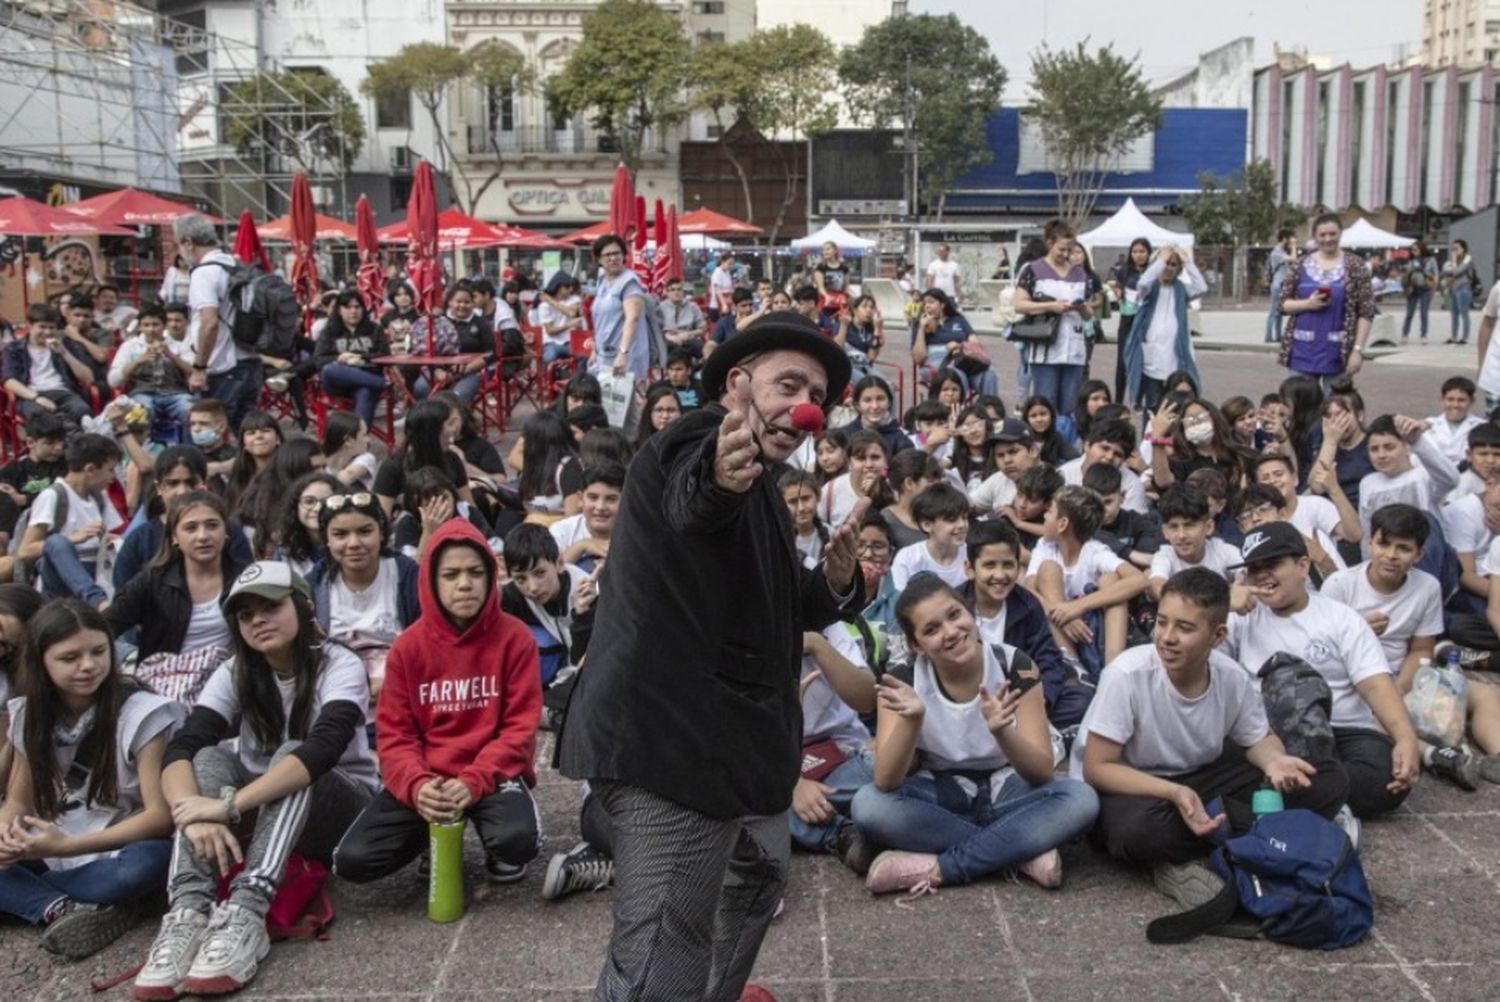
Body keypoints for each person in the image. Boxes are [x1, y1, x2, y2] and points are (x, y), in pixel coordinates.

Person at [557, 311, 863, 1002]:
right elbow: (693, 501)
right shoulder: (695, 440)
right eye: (789, 383)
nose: (806, 407)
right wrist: (720, 481)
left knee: (755, 878)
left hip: (734, 750)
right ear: (737, 383)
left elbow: (779, 606)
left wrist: (838, 583)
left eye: (816, 392)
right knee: (663, 953)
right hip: (670, 747)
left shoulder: (768, 492)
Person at [132, 563, 377, 998]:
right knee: (207, 756)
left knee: (294, 752)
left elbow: (323, 749)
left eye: (271, 606)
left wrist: (227, 806)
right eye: (246, 615)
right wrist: (194, 815)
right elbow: (183, 747)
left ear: (303, 607)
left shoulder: (339, 663)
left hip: (341, 808)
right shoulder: (235, 671)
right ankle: (187, 911)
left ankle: (246, 911)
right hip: (261, 809)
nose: (258, 620)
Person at [1078, 569, 1347, 907]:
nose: (1167, 637)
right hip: (1138, 788)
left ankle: (1212, 836)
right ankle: (1259, 834)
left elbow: (1256, 739)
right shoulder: (1127, 675)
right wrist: (1174, 793)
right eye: (1162, 622)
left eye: (1185, 628)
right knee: (1135, 832)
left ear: (1218, 635)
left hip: (1201, 779)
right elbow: (1097, 768)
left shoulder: (1230, 677)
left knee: (1327, 778)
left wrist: (1275, 762)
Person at [851, 575, 1099, 895]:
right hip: (942, 796)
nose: (951, 632)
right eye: (932, 630)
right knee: (868, 805)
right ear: (916, 645)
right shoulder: (902, 681)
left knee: (1081, 799)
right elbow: (886, 780)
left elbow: (1041, 771)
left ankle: (942, 866)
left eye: (955, 615)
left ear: (969, 611)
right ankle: (1017, 853)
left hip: (1008, 789)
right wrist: (912, 721)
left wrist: (1003, 732)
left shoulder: (1014, 665)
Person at [332, 519, 542, 885]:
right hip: (427, 775)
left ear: (491, 576)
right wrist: (417, 786)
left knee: (517, 842)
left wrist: (475, 781)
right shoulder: (408, 647)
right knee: (353, 861)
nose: (464, 583)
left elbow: (519, 729)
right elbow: (395, 735)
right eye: (451, 574)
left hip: (489, 773)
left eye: (476, 572)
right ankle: (435, 833)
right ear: (431, 579)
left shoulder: (515, 639)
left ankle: (496, 841)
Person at [0, 600, 183, 960]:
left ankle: (37, 899)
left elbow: (160, 817)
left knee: (145, 867)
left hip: (121, 844)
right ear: (41, 662)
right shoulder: (29, 715)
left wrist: (64, 847)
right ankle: (62, 907)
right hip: (46, 845)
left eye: (99, 651)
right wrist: (7, 834)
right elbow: (18, 802)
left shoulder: (142, 713)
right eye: (69, 658)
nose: (88, 666)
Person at [1222, 522, 1421, 836]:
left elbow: (1375, 683)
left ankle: (1302, 796)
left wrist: (1406, 738)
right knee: (1287, 678)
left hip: (1344, 729)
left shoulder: (1340, 618)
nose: (1261, 575)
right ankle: (1327, 803)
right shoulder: (1236, 618)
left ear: (1302, 566)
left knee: (1388, 780)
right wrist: (1221, 608)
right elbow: (1198, 665)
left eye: (1272, 565)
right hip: (1271, 734)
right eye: (1253, 568)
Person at [960, 520, 1089, 730]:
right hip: (971, 699)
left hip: (1019, 698)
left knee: (1081, 701)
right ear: (970, 569)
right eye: (990, 565)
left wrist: (1042, 701)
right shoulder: (955, 607)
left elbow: (1048, 657)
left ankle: (1024, 726)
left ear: (1018, 567)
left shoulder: (1028, 605)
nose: (1000, 575)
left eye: (1008, 565)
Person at [306, 492, 420, 711]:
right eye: (340, 534)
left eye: (365, 531)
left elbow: (427, 641)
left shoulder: (407, 575)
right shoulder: (313, 585)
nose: (354, 543)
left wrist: (393, 682)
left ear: (382, 533)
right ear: (326, 540)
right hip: (337, 701)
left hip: (404, 696)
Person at [108, 490, 245, 670]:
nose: (203, 536)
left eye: (212, 525)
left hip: (227, 681)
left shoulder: (244, 579)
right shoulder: (153, 581)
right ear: (174, 536)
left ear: (226, 531)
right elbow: (106, 625)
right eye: (191, 528)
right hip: (162, 683)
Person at [1029, 485, 1148, 674]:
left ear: (1062, 524)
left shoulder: (1094, 550)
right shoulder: (1044, 547)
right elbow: (1028, 590)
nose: (1044, 516)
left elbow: (1140, 580)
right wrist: (1061, 615)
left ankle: (1113, 668)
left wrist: (1079, 606)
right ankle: (1074, 668)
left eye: (1050, 511)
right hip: (1059, 631)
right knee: (1048, 569)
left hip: (1095, 633)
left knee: (1110, 579)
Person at [174, 213, 262, 430]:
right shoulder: (238, 267)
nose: (178, 251)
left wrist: (199, 368)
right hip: (250, 362)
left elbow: (209, 323)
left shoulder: (204, 273)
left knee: (214, 433)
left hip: (223, 367)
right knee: (249, 435)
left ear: (188, 243)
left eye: (178, 245)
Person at [16, 433, 122, 609]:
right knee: (56, 541)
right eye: (110, 470)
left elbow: (112, 534)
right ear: (90, 469)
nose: (113, 478)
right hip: (60, 576)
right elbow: (25, 550)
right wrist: (71, 539)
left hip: (97, 570)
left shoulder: (99, 498)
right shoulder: (52, 496)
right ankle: (97, 601)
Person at [1276, 213, 1375, 390]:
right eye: (1322, 235)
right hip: (1302, 352)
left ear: (1340, 234)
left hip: (1338, 353)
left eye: (1332, 234)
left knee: (1336, 410)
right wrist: (1307, 304)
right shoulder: (1300, 264)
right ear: (1315, 236)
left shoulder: (1355, 265)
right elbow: (1282, 304)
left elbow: (1366, 311)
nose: (1328, 239)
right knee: (1303, 411)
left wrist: (1358, 350)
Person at [1012, 219, 1093, 418]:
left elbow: (1090, 312)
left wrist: (1082, 308)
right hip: (1044, 347)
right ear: (1050, 243)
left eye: (1070, 250)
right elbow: (1019, 304)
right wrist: (1051, 306)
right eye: (1061, 249)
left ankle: (1067, 444)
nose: (1066, 255)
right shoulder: (1032, 270)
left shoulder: (1079, 273)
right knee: (1045, 405)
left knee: (1070, 406)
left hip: (1074, 348)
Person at [1124, 246, 1205, 414]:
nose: (1168, 268)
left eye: (1173, 264)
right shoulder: (1149, 288)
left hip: (1175, 359)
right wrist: (1160, 260)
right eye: (1165, 264)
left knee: (1175, 407)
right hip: (1151, 360)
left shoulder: (1181, 290)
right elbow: (1143, 282)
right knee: (1153, 407)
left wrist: (1188, 262)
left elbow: (1202, 287)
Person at [108, 305, 196, 433]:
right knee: (141, 413)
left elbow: (193, 371)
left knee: (190, 411)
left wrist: (171, 355)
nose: (151, 329)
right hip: (143, 394)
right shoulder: (130, 346)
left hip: (176, 394)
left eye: (156, 324)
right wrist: (138, 361)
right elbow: (113, 380)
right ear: (140, 327)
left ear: (164, 325)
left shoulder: (178, 345)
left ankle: (190, 449)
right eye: (146, 325)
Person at [1147, 484, 1242, 602]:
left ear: (1208, 527)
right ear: (1165, 532)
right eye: (1174, 527)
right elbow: (1156, 585)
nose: (1181, 535)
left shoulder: (1223, 550)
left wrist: (1240, 588)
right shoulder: (1165, 556)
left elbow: (1246, 574)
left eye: (1189, 525)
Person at [3, 304, 95, 423]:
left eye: (51, 328)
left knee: (82, 410)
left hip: (63, 392)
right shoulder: (14, 349)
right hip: (31, 394)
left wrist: (65, 353)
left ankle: (70, 434)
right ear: (29, 326)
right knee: (40, 416)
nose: (47, 332)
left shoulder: (66, 345)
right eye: (42, 327)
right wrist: (36, 397)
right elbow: (9, 381)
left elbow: (88, 378)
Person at [313, 290, 391, 427]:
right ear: (339, 310)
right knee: (328, 369)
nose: (353, 311)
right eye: (348, 307)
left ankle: (359, 442)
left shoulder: (374, 329)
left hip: (367, 378)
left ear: (363, 309)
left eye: (357, 307)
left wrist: (361, 358)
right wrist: (341, 358)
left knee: (365, 392)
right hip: (338, 383)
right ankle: (383, 384)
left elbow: (385, 354)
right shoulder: (329, 331)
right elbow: (318, 360)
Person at [409, 283, 493, 403]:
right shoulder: (438, 322)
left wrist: (463, 370)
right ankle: (430, 420)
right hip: (437, 371)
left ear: (473, 304)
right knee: (421, 388)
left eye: (467, 302)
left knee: (460, 395)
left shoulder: (481, 324)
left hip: (470, 372)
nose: (462, 305)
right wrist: (437, 370)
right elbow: (426, 350)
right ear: (450, 303)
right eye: (458, 301)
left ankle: (456, 421)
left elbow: (489, 355)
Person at [590, 234, 653, 380]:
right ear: (599, 259)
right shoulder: (602, 280)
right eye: (607, 254)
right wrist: (595, 349)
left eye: (616, 253)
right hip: (604, 354)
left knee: (622, 400)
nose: (613, 258)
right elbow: (600, 319)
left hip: (624, 357)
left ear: (624, 255)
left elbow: (633, 318)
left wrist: (623, 354)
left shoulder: (629, 282)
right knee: (605, 400)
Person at [0, 413, 68, 546]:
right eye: (50, 443)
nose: (58, 447)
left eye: (60, 441)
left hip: (51, 527)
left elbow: (60, 495)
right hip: (17, 528)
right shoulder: (13, 469)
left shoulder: (64, 466)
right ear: (31, 442)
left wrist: (24, 499)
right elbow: (8, 495)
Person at [890, 483, 971, 590]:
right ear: (927, 525)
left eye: (964, 518)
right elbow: (898, 601)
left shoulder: (972, 555)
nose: (961, 525)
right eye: (951, 520)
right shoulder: (908, 558)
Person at [549, 463, 623, 573]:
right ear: (580, 499)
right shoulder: (562, 531)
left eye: (611, 499)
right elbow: (547, 574)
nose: (600, 507)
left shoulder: (637, 532)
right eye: (593, 498)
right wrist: (582, 546)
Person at [840, 375, 914, 456]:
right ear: (857, 405)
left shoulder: (901, 440)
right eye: (867, 400)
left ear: (889, 402)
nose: (875, 406)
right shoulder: (844, 436)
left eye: (880, 399)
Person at [1422, 376, 1484, 468]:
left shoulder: (1481, 426)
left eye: (1461, 400)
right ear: (1441, 399)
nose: (1455, 405)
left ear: (1472, 401)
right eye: (1450, 399)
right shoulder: (1428, 425)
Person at [537, 272, 584, 362]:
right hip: (551, 343)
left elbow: (572, 313)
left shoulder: (574, 299)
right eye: (567, 286)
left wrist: (550, 301)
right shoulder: (544, 306)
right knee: (549, 356)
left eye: (571, 286)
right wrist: (568, 325)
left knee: (583, 355)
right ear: (558, 287)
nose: (570, 289)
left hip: (569, 342)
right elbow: (550, 331)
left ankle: (578, 376)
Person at [1442, 239, 1479, 345]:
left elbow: (1458, 272)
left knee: (1464, 313)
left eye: (1457, 248)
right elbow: (1445, 271)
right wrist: (1452, 268)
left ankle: (1465, 337)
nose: (1454, 251)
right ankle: (1453, 336)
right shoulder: (1453, 261)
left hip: (1464, 289)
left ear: (1463, 249)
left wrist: (1453, 264)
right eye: (1453, 249)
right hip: (1453, 289)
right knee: (1454, 314)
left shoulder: (1468, 258)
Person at [1264, 228, 1297, 344]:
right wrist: (1294, 246)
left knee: (1279, 312)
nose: (1290, 242)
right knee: (1274, 312)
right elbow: (1293, 258)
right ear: (1284, 239)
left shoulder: (1281, 252)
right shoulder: (1276, 252)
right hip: (1277, 285)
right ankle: (1268, 337)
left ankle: (1278, 336)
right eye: (1289, 239)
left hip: (1282, 284)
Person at [1402, 240, 1439, 342]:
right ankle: (1405, 334)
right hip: (1413, 288)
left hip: (1425, 288)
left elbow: (1436, 274)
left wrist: (1434, 288)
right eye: (1412, 250)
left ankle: (1423, 335)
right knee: (1409, 313)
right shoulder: (1411, 261)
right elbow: (1406, 274)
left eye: (1416, 249)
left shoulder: (1430, 260)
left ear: (1421, 248)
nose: (1414, 251)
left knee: (1424, 313)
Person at [659, 278, 707, 356]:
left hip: (688, 337)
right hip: (668, 338)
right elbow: (656, 330)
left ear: (683, 291)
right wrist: (668, 336)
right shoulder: (660, 308)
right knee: (665, 347)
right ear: (667, 293)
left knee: (700, 347)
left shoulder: (693, 306)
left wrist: (688, 334)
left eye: (679, 289)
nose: (676, 292)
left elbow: (703, 328)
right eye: (672, 290)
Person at [636, 383, 683, 450]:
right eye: (659, 410)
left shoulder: (687, 445)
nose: (665, 416)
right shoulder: (636, 447)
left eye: (671, 410)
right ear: (649, 413)